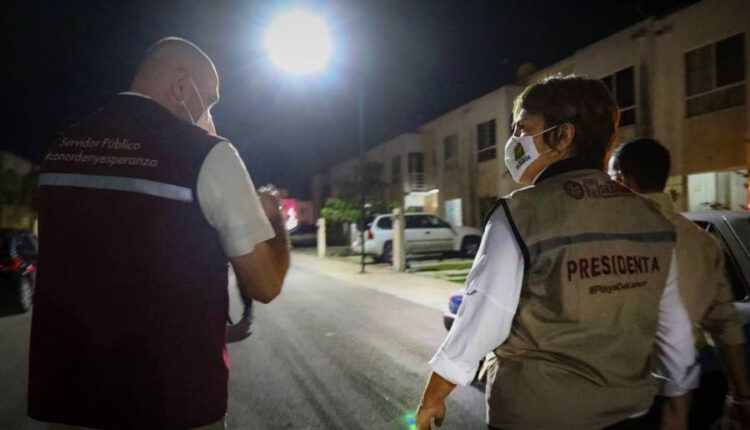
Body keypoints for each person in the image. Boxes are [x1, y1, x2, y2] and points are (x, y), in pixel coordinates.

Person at [28, 37, 290, 429]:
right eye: (209, 100)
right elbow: (264, 284)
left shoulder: (61, 149)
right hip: (173, 401)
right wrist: (273, 216)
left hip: (71, 398)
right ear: (182, 86)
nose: (209, 115)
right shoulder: (207, 153)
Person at [415, 75, 697, 430]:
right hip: (629, 415)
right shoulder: (652, 219)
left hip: (536, 416)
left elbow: (483, 318)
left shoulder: (519, 214)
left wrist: (434, 396)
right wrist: (678, 403)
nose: (514, 141)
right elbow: (673, 328)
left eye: (522, 129)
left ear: (562, 136)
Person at [609, 138, 749, 428]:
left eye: (610, 179)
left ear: (623, 179)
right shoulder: (701, 240)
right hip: (700, 384)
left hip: (636, 390)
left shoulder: (611, 239)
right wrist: (742, 394)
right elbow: (725, 323)